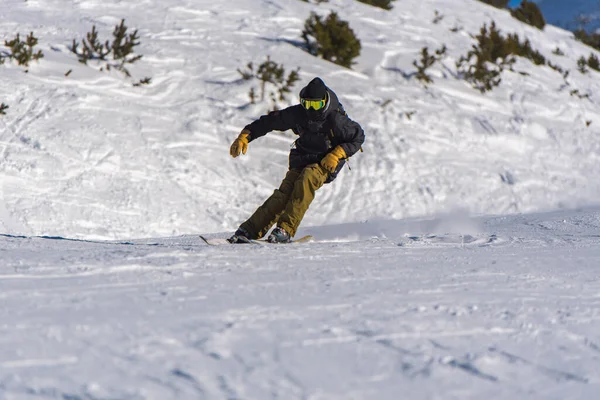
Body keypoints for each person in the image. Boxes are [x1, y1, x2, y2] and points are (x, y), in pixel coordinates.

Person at [228, 77, 365, 243]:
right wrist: (246, 135)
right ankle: (249, 230)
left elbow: (358, 137)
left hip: (325, 161)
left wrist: (337, 153)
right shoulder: (299, 113)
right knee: (283, 194)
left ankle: (285, 230)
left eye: (316, 105)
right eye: (307, 104)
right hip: (303, 157)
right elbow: (270, 122)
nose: (311, 109)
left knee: (307, 178)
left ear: (325, 102)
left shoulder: (336, 119)